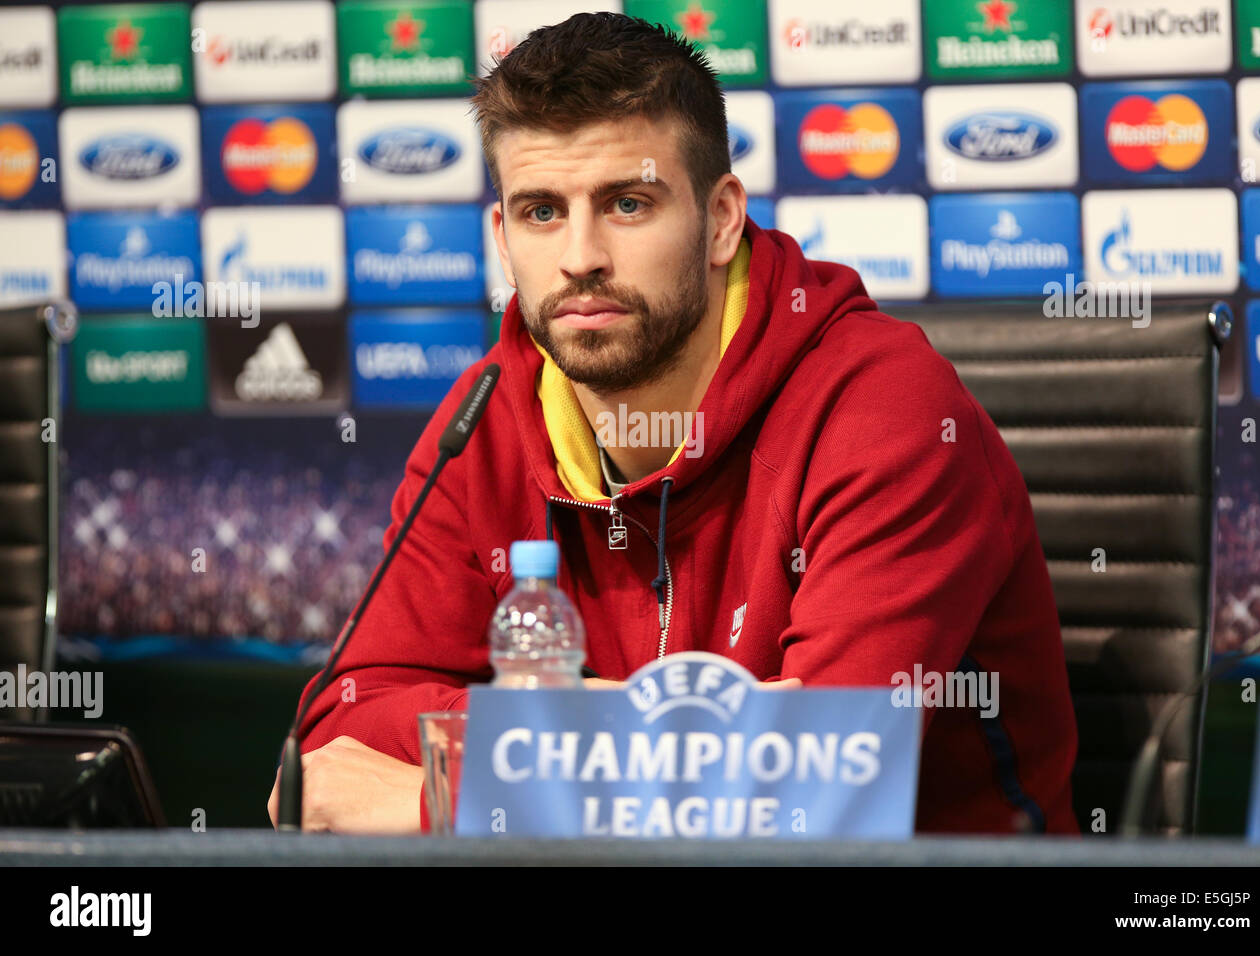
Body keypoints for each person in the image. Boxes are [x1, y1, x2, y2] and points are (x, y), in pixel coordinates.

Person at [268, 12, 1079, 835]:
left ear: (721, 218)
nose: (580, 256)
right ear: (501, 237)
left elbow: (823, 790)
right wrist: (652, 740)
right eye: (542, 211)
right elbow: (338, 730)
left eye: (626, 203)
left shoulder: (885, 408)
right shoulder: (484, 418)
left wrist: (485, 787)